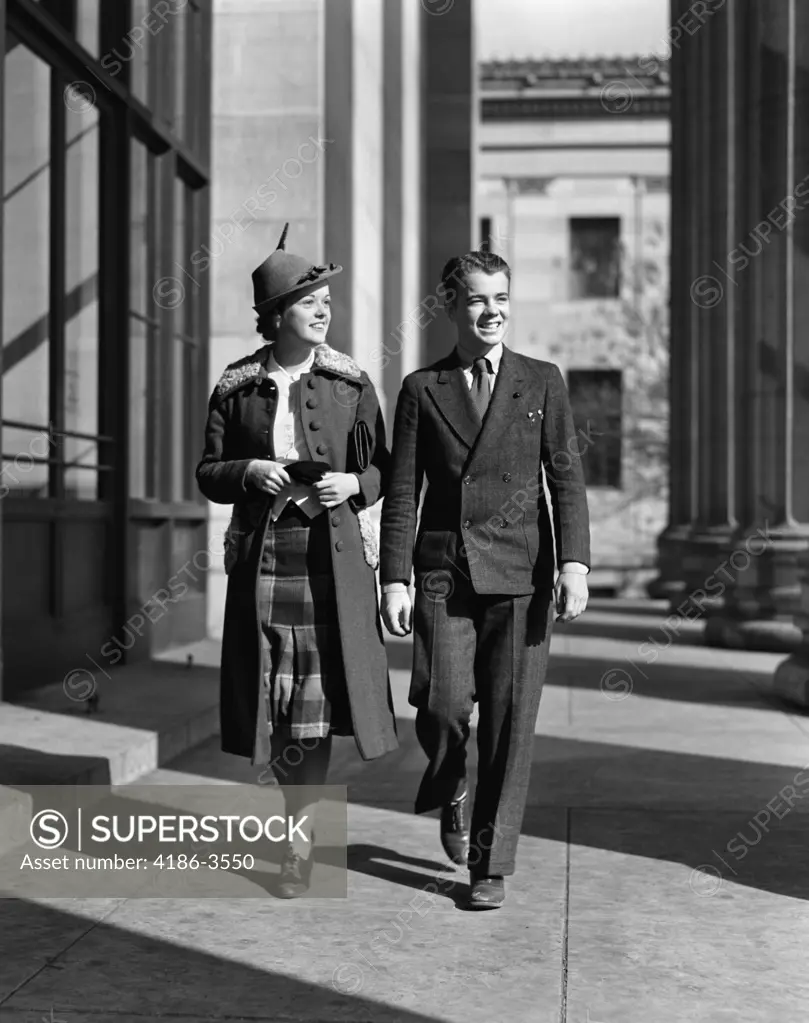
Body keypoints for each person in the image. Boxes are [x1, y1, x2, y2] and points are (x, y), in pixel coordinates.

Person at [379, 249, 590, 910]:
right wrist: (394, 579)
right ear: (450, 305)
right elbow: (402, 492)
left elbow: (566, 478)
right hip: (444, 572)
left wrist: (576, 564)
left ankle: (487, 863)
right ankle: (450, 783)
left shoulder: (542, 380)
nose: (491, 309)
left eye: (500, 297)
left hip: (522, 573)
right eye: (476, 298)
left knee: (508, 722)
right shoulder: (421, 389)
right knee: (441, 700)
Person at [197, 224, 397, 898]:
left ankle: (298, 835)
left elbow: (385, 469)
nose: (323, 312)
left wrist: (354, 485)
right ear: (276, 313)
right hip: (263, 558)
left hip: (331, 560)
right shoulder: (236, 386)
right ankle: (295, 825)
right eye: (310, 302)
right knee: (275, 704)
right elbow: (206, 471)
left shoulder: (350, 383)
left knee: (311, 710)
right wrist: (249, 469)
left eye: (328, 302)